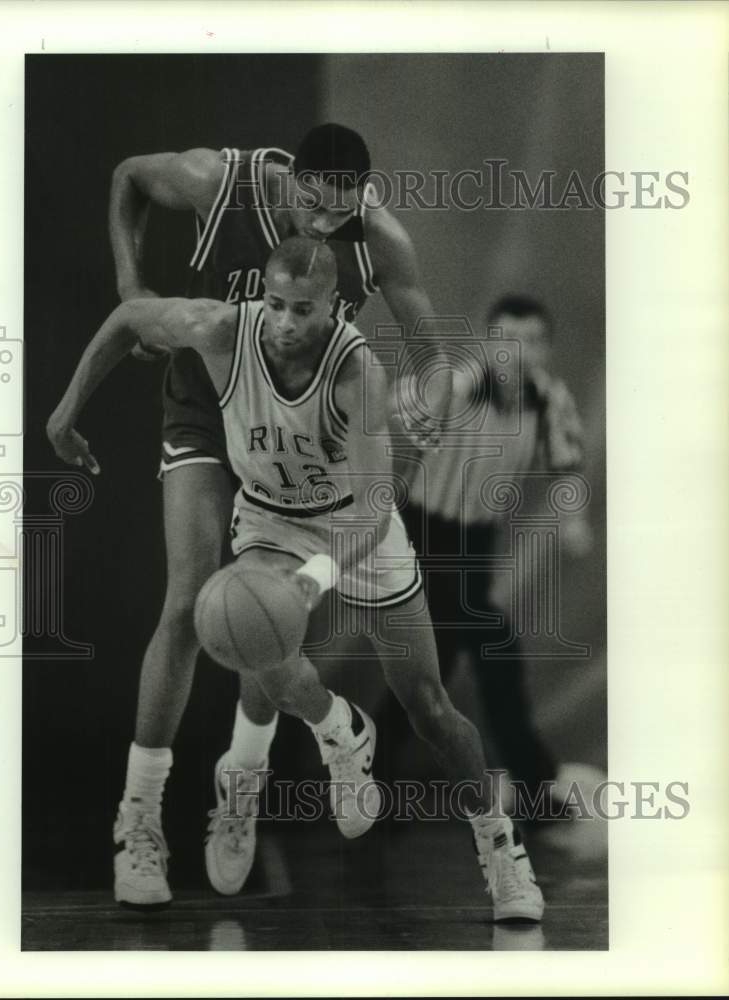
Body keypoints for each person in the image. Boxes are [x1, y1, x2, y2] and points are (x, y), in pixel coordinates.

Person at [47, 236, 545, 923]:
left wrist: (315, 579)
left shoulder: (355, 371)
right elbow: (129, 319)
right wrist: (66, 411)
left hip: (355, 529)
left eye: (301, 310)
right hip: (272, 522)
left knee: (430, 706)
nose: (284, 321)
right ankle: (337, 729)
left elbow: (373, 506)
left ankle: (500, 850)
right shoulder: (222, 330)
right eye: (275, 304)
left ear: (331, 309)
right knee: (251, 639)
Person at [106, 123, 451, 905]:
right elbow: (129, 168)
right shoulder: (216, 181)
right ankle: (141, 821)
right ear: (292, 180)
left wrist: (424, 416)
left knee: (262, 620)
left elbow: (433, 361)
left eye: (341, 214)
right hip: (206, 404)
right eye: (313, 208)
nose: (323, 226)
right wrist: (131, 287)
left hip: (304, 426)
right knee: (192, 602)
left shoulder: (380, 238)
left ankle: (258, 770)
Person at [392, 294, 598, 825]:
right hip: (423, 536)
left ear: (547, 347)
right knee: (486, 654)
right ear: (488, 344)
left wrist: (573, 519)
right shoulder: (460, 385)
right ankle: (532, 786)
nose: (520, 352)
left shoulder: (548, 399)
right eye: (508, 340)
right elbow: (402, 406)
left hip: (474, 545)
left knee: (428, 671)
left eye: (533, 341)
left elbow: (568, 462)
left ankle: (369, 786)